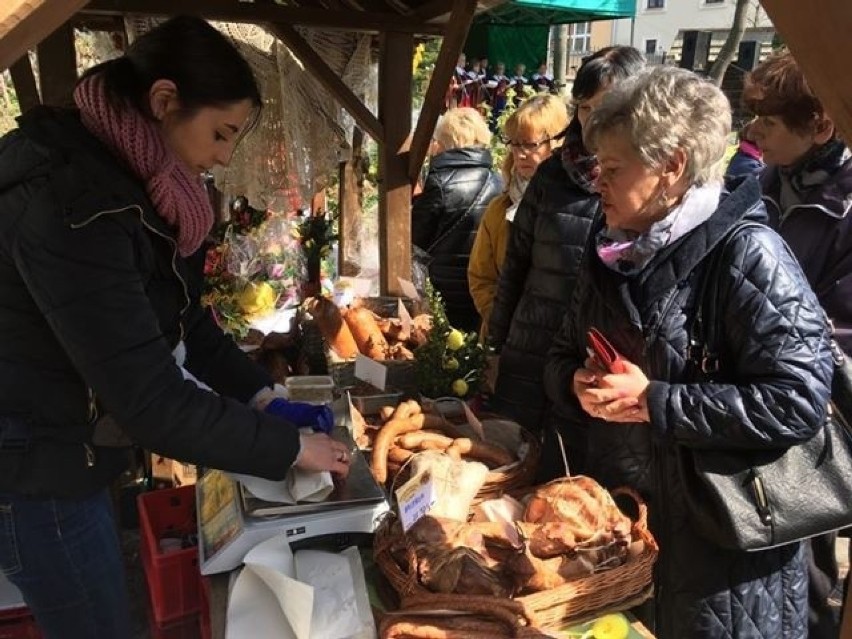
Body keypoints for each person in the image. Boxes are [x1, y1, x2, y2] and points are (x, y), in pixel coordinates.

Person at [0, 16, 350, 639]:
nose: (223, 156)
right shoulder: (74, 201)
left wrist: (263, 395)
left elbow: (186, 317)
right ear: (164, 102)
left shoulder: (139, 185)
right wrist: (291, 448)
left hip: (66, 445)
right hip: (33, 463)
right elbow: (150, 399)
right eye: (221, 133)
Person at [544, 66, 833, 639]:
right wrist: (575, 384)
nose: (597, 180)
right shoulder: (609, 250)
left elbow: (798, 400)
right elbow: (559, 354)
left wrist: (657, 401)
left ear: (671, 168)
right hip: (627, 539)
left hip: (724, 564)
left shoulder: (749, 254)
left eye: (614, 168)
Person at [488, 46, 644, 478]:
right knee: (514, 474)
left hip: (597, 366)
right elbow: (515, 267)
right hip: (531, 349)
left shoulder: (645, 186)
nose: (592, 121)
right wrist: (496, 346)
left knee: (580, 495)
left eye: (606, 107)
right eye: (583, 107)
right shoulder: (553, 174)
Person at [743, 49, 852, 639]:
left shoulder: (846, 208)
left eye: (769, 122)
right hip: (753, 400)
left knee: (807, 560)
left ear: (822, 126)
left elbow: (842, 327)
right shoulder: (762, 183)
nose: (754, 130)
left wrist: (765, 344)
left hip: (819, 416)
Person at [468, 94, 569, 341]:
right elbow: (480, 276)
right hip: (505, 340)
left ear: (556, 143)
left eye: (530, 144)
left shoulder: (575, 208)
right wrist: (501, 318)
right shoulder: (499, 209)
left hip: (556, 345)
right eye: (514, 143)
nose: (520, 153)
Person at [411, 107, 502, 333]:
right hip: (483, 286)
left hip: (446, 290)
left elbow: (415, 237)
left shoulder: (440, 181)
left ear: (446, 141)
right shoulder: (498, 180)